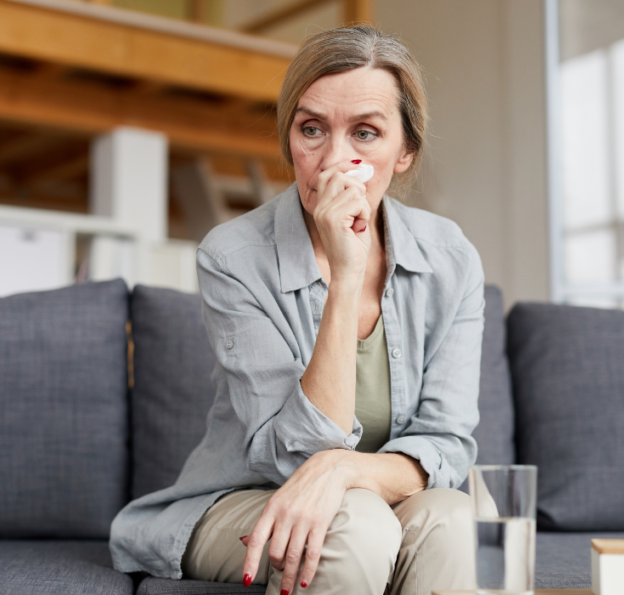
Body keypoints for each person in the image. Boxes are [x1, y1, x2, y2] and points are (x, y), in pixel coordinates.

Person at [110, 25, 485, 595]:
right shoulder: (233, 256)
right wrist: (346, 274)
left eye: (365, 132)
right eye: (312, 130)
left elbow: (448, 445)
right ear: (289, 141)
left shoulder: (451, 258)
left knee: (450, 517)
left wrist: (345, 469)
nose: (335, 160)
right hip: (244, 500)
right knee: (354, 523)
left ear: (404, 151)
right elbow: (296, 456)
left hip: (373, 503)